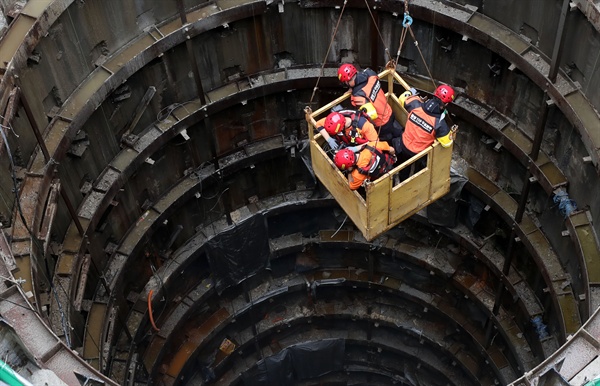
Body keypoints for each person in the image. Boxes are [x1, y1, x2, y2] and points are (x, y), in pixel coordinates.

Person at [392, 84, 456, 164]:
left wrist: (410, 92)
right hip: (417, 154)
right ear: (446, 104)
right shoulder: (439, 124)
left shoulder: (415, 105)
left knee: (401, 164)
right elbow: (447, 143)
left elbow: (402, 98)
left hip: (403, 143)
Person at [337, 63, 403, 142]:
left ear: (347, 82)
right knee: (396, 130)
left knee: (388, 139)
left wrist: (353, 91)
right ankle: (402, 136)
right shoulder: (369, 73)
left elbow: (365, 114)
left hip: (381, 123)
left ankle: (396, 147)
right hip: (389, 111)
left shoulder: (358, 96)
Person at [315, 110, 379, 147]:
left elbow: (376, 143)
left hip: (363, 145)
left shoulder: (364, 125)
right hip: (347, 142)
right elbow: (318, 124)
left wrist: (356, 149)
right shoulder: (333, 119)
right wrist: (329, 139)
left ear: (342, 128)